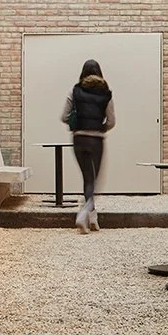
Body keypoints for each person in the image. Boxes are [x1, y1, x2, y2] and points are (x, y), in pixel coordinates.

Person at [61, 59, 116, 233]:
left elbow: (64, 116)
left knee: (87, 178)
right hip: (96, 140)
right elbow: (112, 121)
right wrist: (100, 128)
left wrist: (77, 124)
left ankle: (93, 219)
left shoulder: (75, 91)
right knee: (95, 180)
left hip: (79, 139)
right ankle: (84, 212)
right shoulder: (106, 93)